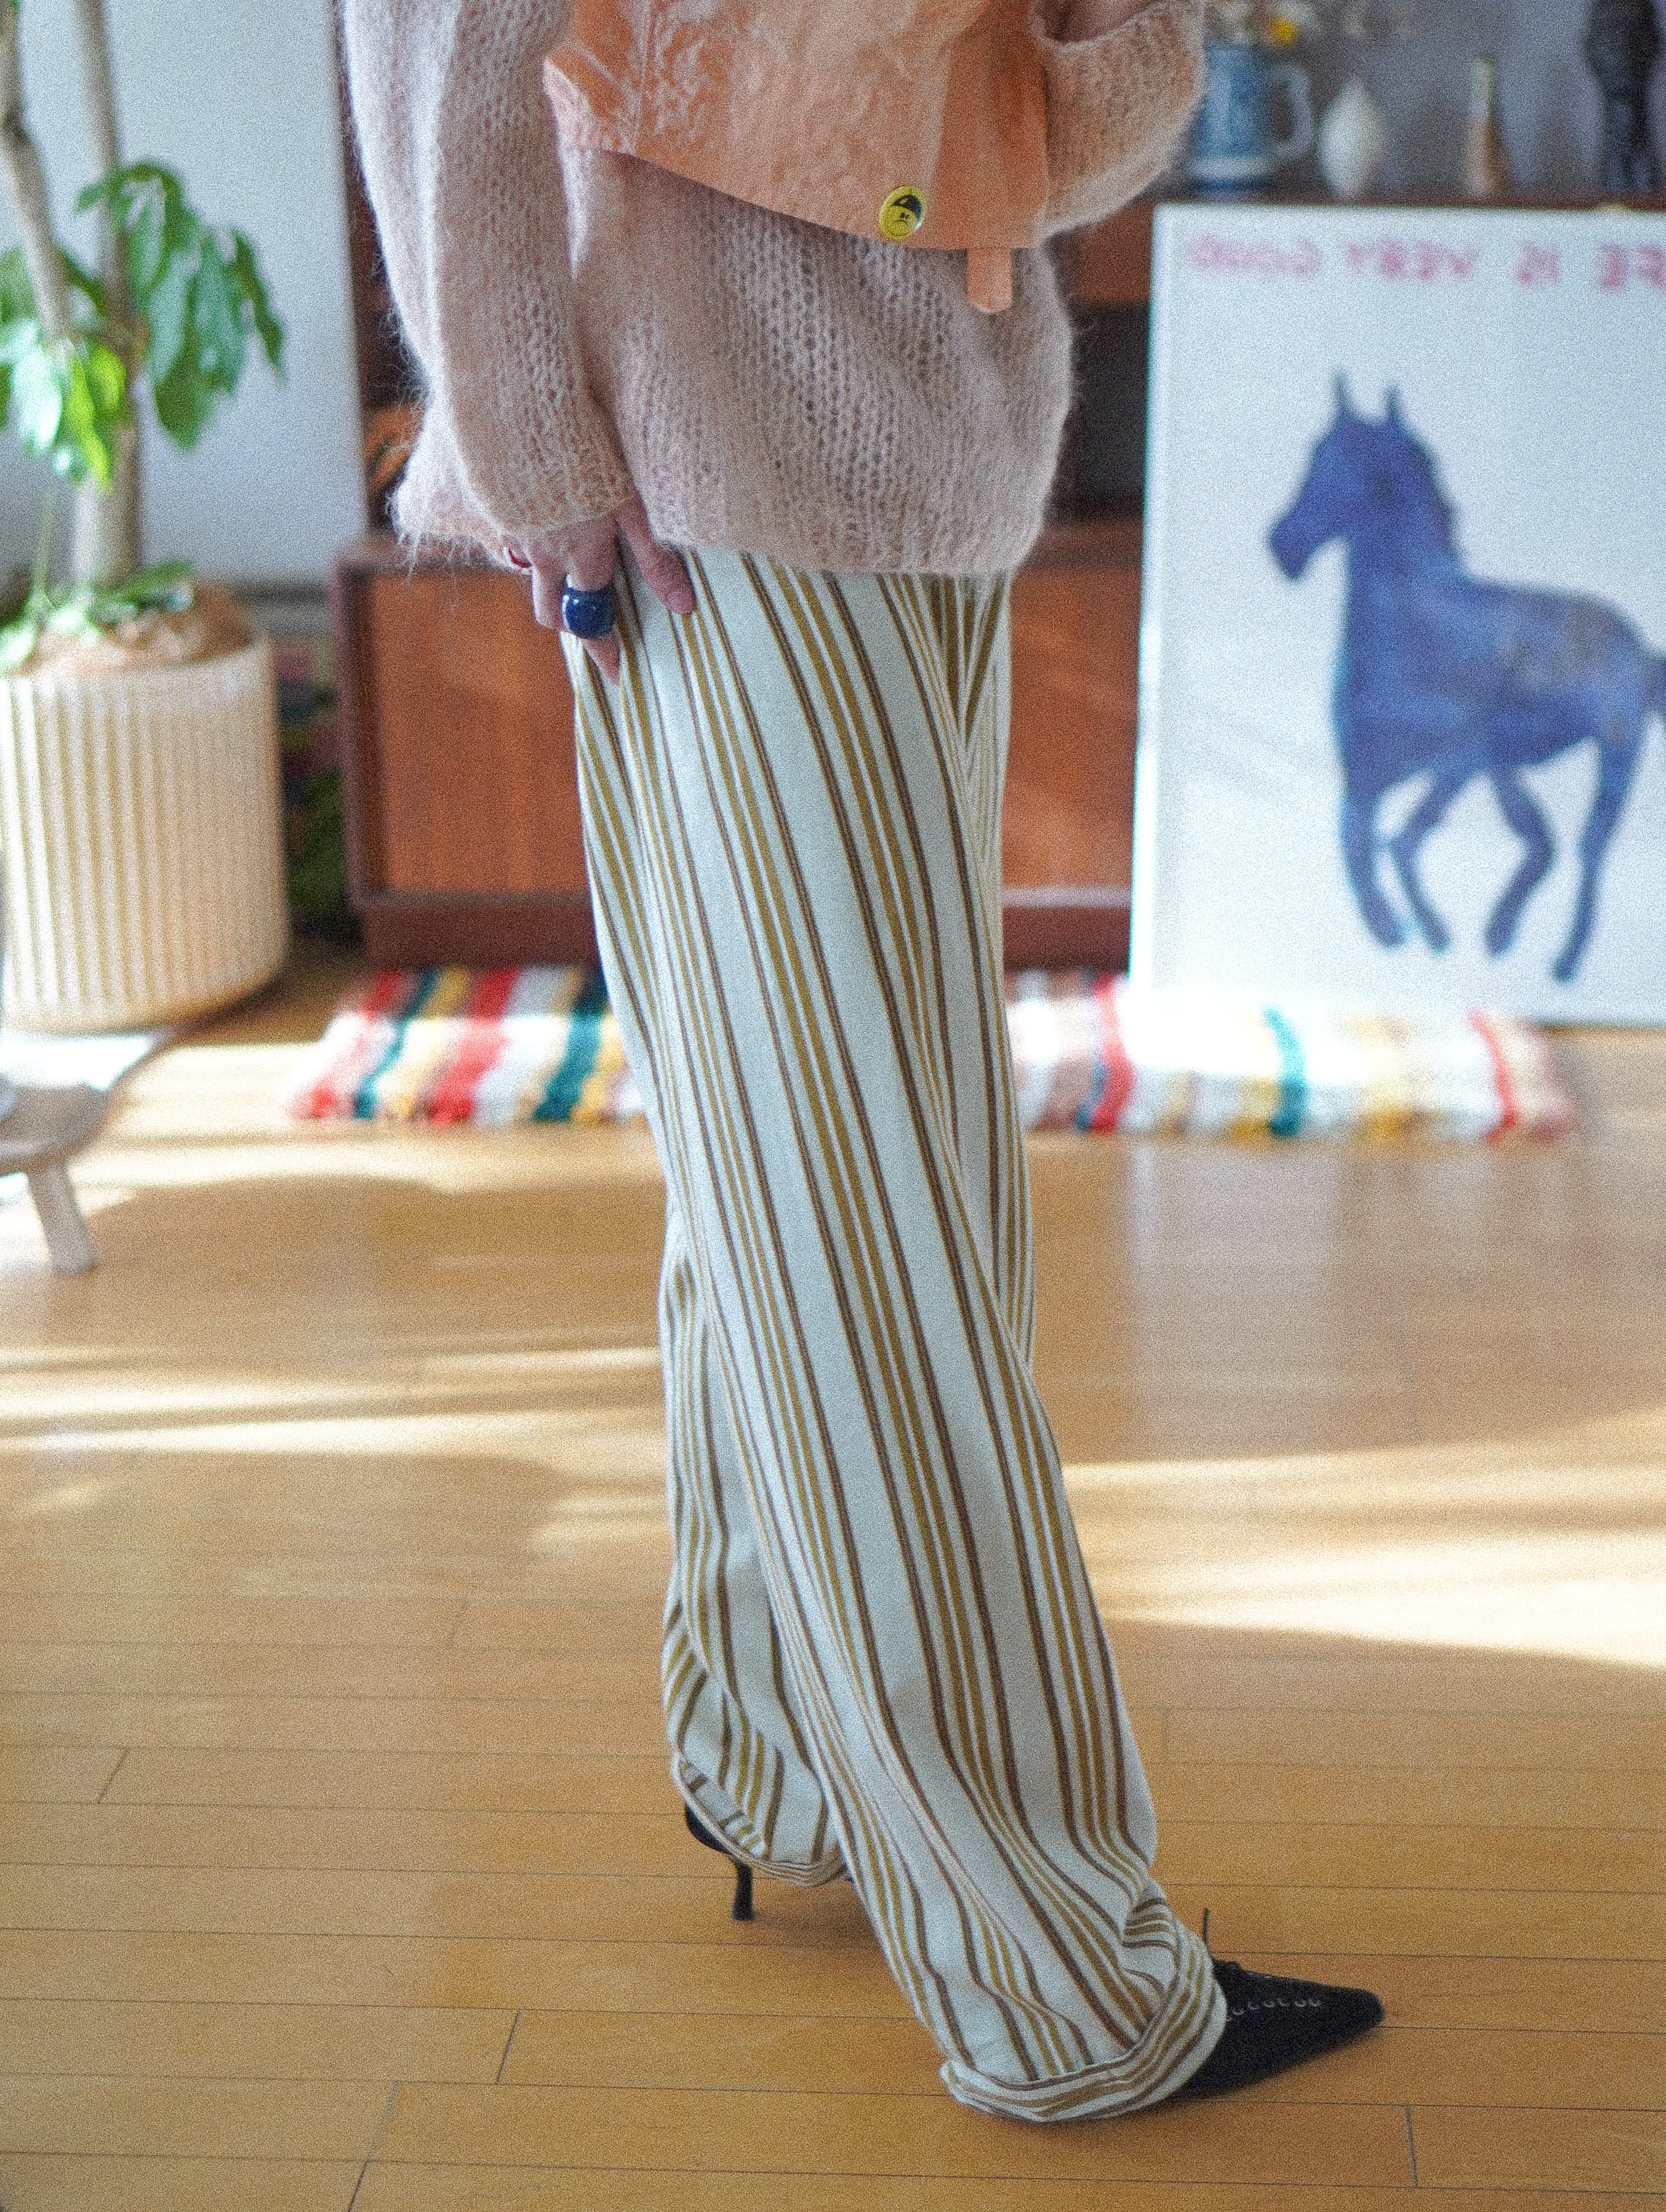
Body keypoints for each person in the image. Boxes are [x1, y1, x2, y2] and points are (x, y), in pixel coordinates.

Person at [341, 0, 1384, 2120]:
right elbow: (437, 29)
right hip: (701, 455)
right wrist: (530, 446)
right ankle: (1056, 1976)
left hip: (923, 454)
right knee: (874, 1228)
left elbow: (1084, 111)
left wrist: (1103, 56)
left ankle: (779, 1745)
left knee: (803, 1165)